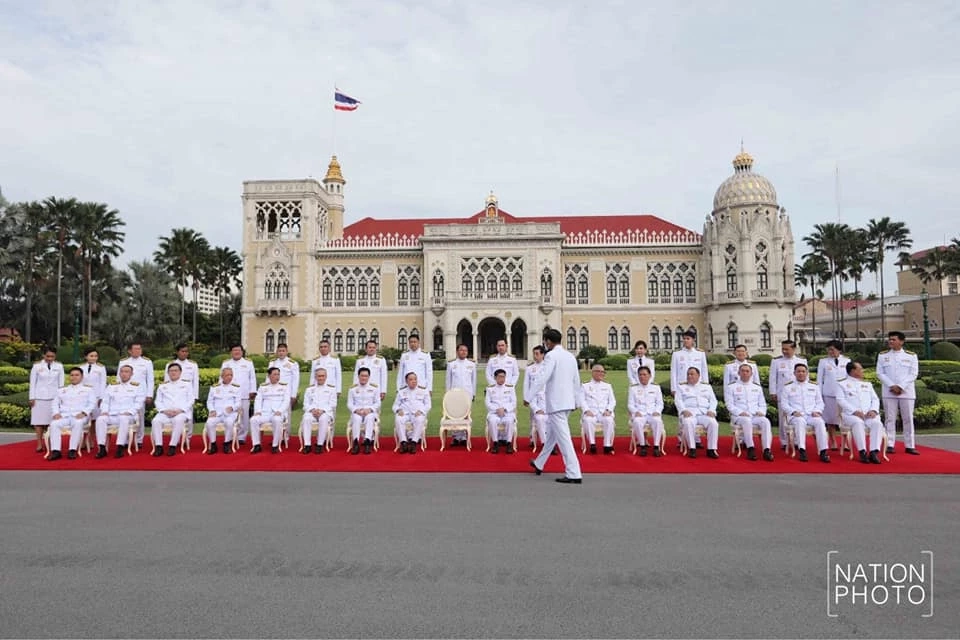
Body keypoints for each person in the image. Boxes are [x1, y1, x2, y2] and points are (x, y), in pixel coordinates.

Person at [529, 328, 584, 484]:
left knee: (564, 439)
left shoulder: (551, 356)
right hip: (567, 402)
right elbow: (576, 380)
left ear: (548, 341)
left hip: (556, 403)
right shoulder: (570, 356)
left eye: (545, 341)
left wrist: (528, 396)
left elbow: (542, 378)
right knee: (553, 435)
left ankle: (574, 473)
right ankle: (540, 463)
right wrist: (576, 400)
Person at [876, 331, 919, 455]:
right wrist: (892, 386)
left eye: (893, 339)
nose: (890, 341)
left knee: (908, 419)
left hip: (906, 391)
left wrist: (900, 386)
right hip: (889, 391)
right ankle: (889, 444)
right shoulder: (883, 356)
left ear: (901, 341)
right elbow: (880, 373)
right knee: (890, 418)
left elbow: (913, 374)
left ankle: (910, 445)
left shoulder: (911, 356)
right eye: (890, 339)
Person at [780, 363, 830, 463]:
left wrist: (817, 411)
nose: (801, 373)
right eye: (798, 371)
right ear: (794, 373)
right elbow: (784, 404)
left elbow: (820, 402)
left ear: (807, 373)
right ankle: (802, 450)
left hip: (811, 414)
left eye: (803, 371)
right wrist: (793, 412)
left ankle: (823, 451)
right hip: (796, 415)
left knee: (820, 422)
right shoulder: (787, 387)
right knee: (800, 422)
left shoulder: (814, 386)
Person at [836, 361, 884, 464]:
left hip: (868, 414)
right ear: (853, 371)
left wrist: (873, 410)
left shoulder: (867, 384)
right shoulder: (841, 384)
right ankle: (862, 451)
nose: (862, 371)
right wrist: (854, 411)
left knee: (877, 423)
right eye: (860, 369)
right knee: (858, 423)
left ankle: (873, 452)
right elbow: (841, 400)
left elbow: (875, 399)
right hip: (851, 415)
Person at [724, 362, 774, 461]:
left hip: (755, 415)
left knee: (765, 421)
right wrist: (739, 412)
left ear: (751, 373)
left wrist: (761, 411)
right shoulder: (731, 387)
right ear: (738, 373)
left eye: (747, 371)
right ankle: (751, 448)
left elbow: (762, 404)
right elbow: (729, 404)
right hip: (739, 416)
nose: (745, 373)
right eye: (742, 371)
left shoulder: (757, 387)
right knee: (746, 420)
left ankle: (767, 450)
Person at [94, 364, 144, 458]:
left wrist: (129, 412)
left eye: (127, 372)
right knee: (100, 419)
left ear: (131, 374)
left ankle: (120, 447)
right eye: (122, 372)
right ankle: (102, 447)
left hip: (128, 415)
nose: (124, 374)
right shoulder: (112, 386)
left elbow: (139, 403)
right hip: (112, 414)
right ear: (119, 373)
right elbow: (105, 401)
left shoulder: (137, 387)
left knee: (123, 418)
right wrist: (104, 411)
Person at [47, 367, 96, 461]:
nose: (74, 377)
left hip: (79, 415)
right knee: (54, 424)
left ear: (82, 377)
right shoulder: (62, 390)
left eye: (77, 375)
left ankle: (72, 450)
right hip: (64, 415)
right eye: (72, 375)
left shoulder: (88, 389)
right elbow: (55, 403)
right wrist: (56, 413)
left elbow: (92, 403)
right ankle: (56, 451)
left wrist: (84, 413)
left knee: (77, 423)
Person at [769, 340, 806, 450]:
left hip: (798, 395)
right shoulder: (776, 361)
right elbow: (773, 378)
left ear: (794, 349)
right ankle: (784, 441)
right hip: (782, 394)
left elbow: (806, 377)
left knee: (798, 416)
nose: (784, 351)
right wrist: (773, 392)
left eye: (787, 349)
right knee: (783, 418)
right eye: (783, 349)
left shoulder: (801, 360)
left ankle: (796, 440)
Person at [150, 363, 194, 457]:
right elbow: (158, 401)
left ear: (180, 372)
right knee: (156, 421)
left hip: (181, 412)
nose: (173, 373)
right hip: (166, 412)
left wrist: (180, 410)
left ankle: (172, 446)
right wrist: (164, 410)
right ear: (168, 373)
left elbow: (190, 400)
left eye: (175, 370)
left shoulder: (187, 384)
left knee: (178, 420)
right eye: (171, 371)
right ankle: (159, 446)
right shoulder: (162, 386)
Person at [675, 367, 719, 459]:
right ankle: (692, 448)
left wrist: (712, 410)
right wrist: (683, 410)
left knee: (713, 423)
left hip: (704, 413)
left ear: (698, 376)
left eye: (692, 374)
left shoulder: (706, 387)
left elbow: (713, 401)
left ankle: (711, 449)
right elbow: (678, 400)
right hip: (689, 412)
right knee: (688, 422)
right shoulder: (681, 387)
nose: (689, 376)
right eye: (688, 374)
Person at [118, 341, 154, 449]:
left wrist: (149, 395)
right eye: (135, 349)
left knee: (139, 416)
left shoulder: (147, 362)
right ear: (129, 350)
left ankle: (139, 439)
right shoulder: (123, 361)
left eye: (139, 349)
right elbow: (119, 378)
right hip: (125, 393)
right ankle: (124, 440)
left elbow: (150, 379)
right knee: (124, 415)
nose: (138, 351)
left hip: (140, 393)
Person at [29, 346, 64, 453]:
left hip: (54, 397)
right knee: (38, 422)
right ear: (43, 355)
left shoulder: (59, 366)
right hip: (39, 397)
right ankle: (39, 443)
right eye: (48, 356)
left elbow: (61, 383)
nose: (50, 358)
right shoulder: (36, 366)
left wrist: (61, 398)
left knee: (52, 422)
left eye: (52, 356)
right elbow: (32, 383)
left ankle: (52, 443)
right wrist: (32, 397)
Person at [220, 344, 257, 445]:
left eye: (238, 350)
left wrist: (252, 391)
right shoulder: (226, 363)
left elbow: (252, 378)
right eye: (234, 350)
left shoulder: (248, 363)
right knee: (230, 414)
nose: (236, 352)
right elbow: (221, 378)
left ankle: (241, 437)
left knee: (244, 416)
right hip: (229, 394)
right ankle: (231, 435)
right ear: (231, 352)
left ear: (242, 352)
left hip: (244, 394)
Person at [816, 340, 850, 451]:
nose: (830, 351)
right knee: (830, 420)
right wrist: (819, 395)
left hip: (843, 395)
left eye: (832, 349)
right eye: (829, 349)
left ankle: (845, 443)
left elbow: (849, 378)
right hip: (828, 394)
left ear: (839, 349)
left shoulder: (847, 361)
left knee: (843, 420)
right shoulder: (823, 362)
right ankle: (833, 442)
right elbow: (819, 380)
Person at [249, 367, 289, 454]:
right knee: (253, 420)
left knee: (277, 420)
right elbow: (258, 399)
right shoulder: (263, 387)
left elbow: (286, 401)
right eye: (274, 374)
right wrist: (257, 411)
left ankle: (275, 446)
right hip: (265, 413)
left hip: (278, 413)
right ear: (269, 376)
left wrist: (280, 411)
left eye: (278, 374)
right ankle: (256, 445)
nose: (277, 376)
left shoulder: (284, 386)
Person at [627, 366, 664, 457]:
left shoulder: (656, 387)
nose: (642, 377)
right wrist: (635, 412)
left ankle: (656, 446)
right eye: (640, 375)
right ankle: (642, 446)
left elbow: (660, 403)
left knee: (657, 421)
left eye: (644, 374)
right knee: (637, 421)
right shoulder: (633, 388)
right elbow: (630, 404)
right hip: (640, 413)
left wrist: (657, 411)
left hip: (652, 413)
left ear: (649, 375)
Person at [205, 367, 243, 454]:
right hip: (217, 413)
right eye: (227, 375)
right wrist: (212, 410)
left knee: (229, 423)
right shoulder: (214, 387)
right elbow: (209, 401)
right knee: (209, 423)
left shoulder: (236, 388)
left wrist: (233, 408)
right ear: (222, 376)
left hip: (230, 413)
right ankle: (213, 445)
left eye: (231, 375)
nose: (229, 377)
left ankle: (227, 444)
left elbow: (238, 402)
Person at [444, 343, 476, 446]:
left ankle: (464, 437)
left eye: (465, 350)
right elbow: (448, 380)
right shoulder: (451, 364)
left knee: (466, 415)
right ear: (457, 351)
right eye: (461, 350)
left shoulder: (471, 364)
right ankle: (456, 437)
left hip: (467, 393)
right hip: (454, 393)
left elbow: (473, 380)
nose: (463, 352)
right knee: (455, 415)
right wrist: (448, 393)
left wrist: (473, 393)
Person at [300, 368, 338, 454]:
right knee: (306, 418)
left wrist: (322, 410)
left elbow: (333, 404)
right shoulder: (309, 389)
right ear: (315, 377)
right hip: (312, 412)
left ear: (326, 376)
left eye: (322, 376)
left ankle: (320, 444)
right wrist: (312, 410)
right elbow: (305, 404)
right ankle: (307, 445)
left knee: (323, 419)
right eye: (319, 376)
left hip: (325, 413)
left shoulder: (331, 389)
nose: (320, 378)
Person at [581, 364, 616, 454]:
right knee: (588, 420)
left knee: (609, 420)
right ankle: (592, 444)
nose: (601, 373)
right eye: (598, 371)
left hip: (603, 412)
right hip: (591, 412)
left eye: (603, 372)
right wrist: (587, 410)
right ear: (593, 372)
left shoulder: (607, 386)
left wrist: (608, 410)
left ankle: (607, 445)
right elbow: (581, 400)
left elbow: (612, 401)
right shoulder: (585, 386)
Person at [393, 372, 430, 454]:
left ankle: (414, 443)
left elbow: (428, 405)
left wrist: (421, 411)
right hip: (405, 413)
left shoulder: (423, 390)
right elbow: (395, 405)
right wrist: (398, 410)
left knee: (420, 419)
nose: (413, 381)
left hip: (417, 413)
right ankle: (403, 443)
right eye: (411, 379)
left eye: (415, 379)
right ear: (406, 381)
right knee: (398, 418)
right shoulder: (401, 391)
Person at [348, 367, 381, 455]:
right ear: (358, 376)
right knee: (356, 418)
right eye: (362, 376)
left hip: (369, 411)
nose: (364, 378)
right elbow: (349, 403)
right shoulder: (352, 388)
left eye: (366, 376)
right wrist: (356, 410)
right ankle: (355, 443)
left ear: (369, 377)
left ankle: (367, 442)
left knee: (370, 418)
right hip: (357, 412)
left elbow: (378, 403)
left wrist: (370, 409)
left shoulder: (374, 388)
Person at [485, 369, 517, 454]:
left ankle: (509, 443)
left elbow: (513, 402)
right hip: (494, 412)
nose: (502, 379)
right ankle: (495, 443)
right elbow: (487, 403)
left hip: (507, 412)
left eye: (503, 377)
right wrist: (496, 409)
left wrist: (505, 409)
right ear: (495, 377)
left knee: (510, 421)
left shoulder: (510, 387)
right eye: (500, 377)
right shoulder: (490, 388)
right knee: (492, 420)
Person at [522, 346, 548, 451]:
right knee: (533, 418)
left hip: (546, 397)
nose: (535, 356)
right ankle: (534, 439)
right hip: (534, 397)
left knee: (547, 420)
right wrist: (526, 398)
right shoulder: (529, 368)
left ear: (543, 354)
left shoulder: (548, 367)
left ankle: (548, 441)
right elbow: (526, 384)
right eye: (534, 354)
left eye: (537, 353)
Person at [670, 330, 708, 395]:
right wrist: (673, 388)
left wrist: (706, 386)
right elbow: (673, 372)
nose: (685, 340)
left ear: (693, 340)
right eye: (684, 339)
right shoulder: (677, 354)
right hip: (682, 386)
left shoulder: (700, 353)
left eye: (688, 339)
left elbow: (704, 371)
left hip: (697, 385)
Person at [269, 342, 301, 410]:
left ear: (287, 352)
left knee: (286, 415)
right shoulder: (272, 363)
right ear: (277, 352)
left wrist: (293, 395)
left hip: (286, 393)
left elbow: (295, 380)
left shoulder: (293, 363)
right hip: (274, 392)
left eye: (283, 351)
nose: (281, 353)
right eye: (279, 351)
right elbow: (268, 378)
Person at [82, 347, 108, 425]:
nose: (94, 358)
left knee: (95, 419)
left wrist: (101, 397)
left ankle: (93, 436)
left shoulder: (101, 368)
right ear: (86, 357)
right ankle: (84, 436)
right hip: (84, 395)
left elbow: (103, 383)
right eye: (91, 356)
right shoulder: (81, 367)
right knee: (84, 417)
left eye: (95, 356)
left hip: (96, 395)